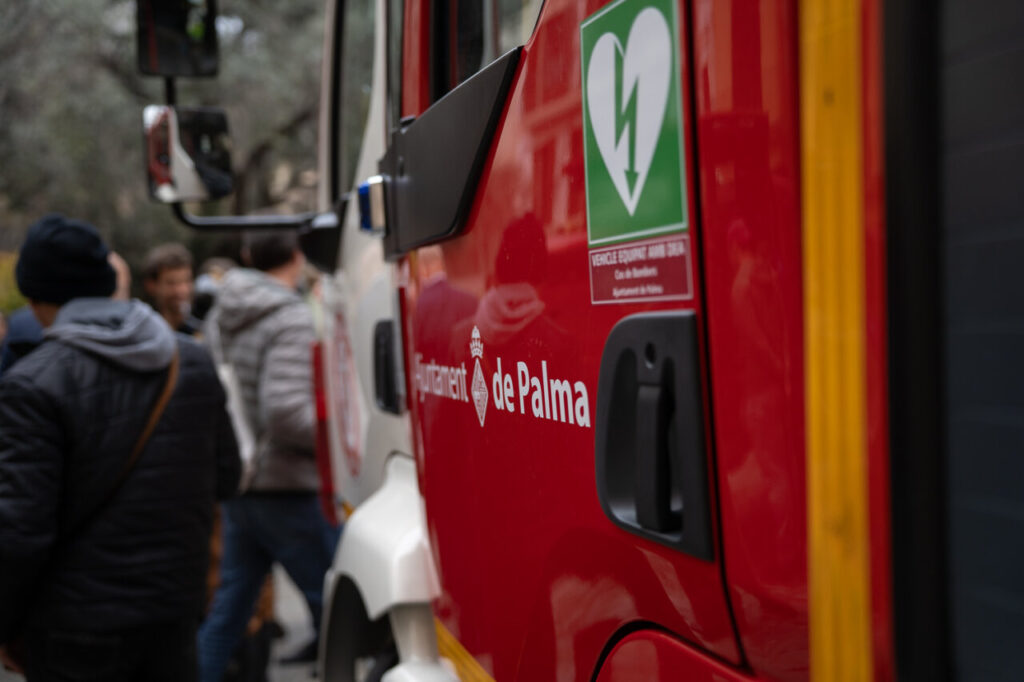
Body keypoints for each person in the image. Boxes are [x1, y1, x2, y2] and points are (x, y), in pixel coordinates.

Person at [0, 214, 241, 681]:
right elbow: (227, 476)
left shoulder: (31, 384)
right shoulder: (190, 360)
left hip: (76, 628)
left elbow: (17, 532)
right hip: (175, 613)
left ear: (36, 297)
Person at [199, 230, 339, 679]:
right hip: (288, 488)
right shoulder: (290, 316)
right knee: (338, 611)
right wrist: (342, 436)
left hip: (244, 482)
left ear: (245, 256)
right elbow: (285, 413)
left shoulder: (225, 309)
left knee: (228, 613)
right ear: (298, 256)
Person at [144, 242, 201, 334]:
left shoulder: (199, 332)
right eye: (172, 283)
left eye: (186, 281)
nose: (182, 290)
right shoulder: (143, 331)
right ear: (151, 285)